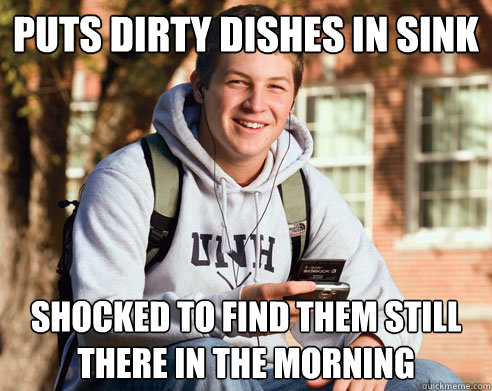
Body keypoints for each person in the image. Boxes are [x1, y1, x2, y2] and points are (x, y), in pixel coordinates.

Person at [55, 4, 463, 391]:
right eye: (238, 82)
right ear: (200, 87)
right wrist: (231, 311)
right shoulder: (131, 176)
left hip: (263, 377)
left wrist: (371, 341)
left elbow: (384, 304)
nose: (257, 104)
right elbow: (100, 319)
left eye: (275, 88)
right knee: (208, 360)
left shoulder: (303, 191)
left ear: (291, 100)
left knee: (431, 378)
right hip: (141, 375)